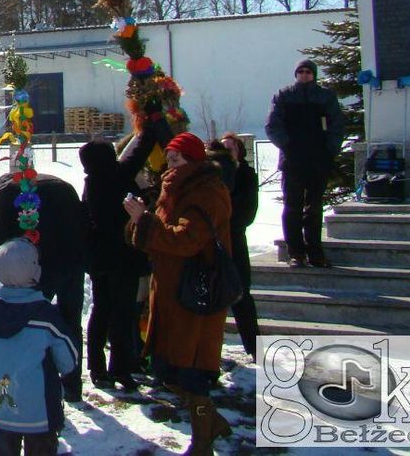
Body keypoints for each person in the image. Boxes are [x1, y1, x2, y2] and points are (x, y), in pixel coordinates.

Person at [123, 132, 233, 456]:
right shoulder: (174, 188)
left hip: (195, 295)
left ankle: (202, 442)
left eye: (177, 159)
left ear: (193, 160)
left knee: (192, 374)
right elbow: (159, 233)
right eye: (168, 158)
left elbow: (187, 240)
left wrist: (144, 222)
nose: (170, 164)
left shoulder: (206, 192)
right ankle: (211, 423)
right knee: (169, 370)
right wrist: (139, 221)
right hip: (172, 293)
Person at [0, 161, 88, 401]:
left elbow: (0, 239)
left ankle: (32, 381)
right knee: (71, 320)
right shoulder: (62, 186)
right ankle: (73, 385)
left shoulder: (6, 193)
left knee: (30, 321)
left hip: (35, 265)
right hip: (71, 257)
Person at [0, 238, 78, 456]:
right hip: (40, 414)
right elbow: (69, 361)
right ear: (34, 270)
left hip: (2, 410)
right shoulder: (45, 316)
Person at [79, 128, 157, 391]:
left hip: (100, 260)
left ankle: (97, 368)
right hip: (124, 259)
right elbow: (137, 154)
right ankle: (121, 369)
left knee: (101, 311)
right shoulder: (118, 176)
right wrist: (151, 126)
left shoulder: (91, 183)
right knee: (123, 314)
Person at [265, 59, 345, 267]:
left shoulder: (325, 96)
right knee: (292, 206)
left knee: (314, 207)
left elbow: (336, 124)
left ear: (314, 74)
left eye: (308, 71)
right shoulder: (284, 95)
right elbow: (273, 125)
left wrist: (330, 149)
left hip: (317, 159)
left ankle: (315, 251)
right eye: (300, 71)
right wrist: (287, 146)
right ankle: (296, 252)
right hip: (292, 160)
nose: (304, 75)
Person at [219, 133, 260, 360]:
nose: (227, 152)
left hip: (235, 240)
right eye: (223, 148)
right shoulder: (215, 174)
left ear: (239, 151)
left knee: (242, 295)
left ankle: (254, 346)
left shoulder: (246, 175)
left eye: (231, 148)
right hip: (215, 241)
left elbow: (247, 212)